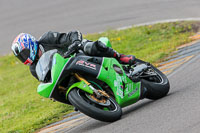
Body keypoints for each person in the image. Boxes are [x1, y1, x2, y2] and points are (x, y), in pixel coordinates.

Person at [11, 31, 135, 80]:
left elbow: (70, 35)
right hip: (66, 71)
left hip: (77, 53)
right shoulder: (34, 69)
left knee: (91, 47)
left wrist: (75, 42)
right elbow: (46, 81)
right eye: (20, 57)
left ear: (30, 44)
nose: (24, 57)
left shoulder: (47, 38)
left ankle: (120, 57)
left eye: (24, 53)